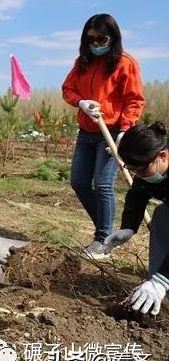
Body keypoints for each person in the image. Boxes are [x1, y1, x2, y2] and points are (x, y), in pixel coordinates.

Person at [62, 14, 145, 260]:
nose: (96, 44)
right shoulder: (82, 62)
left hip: (112, 133)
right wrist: (81, 102)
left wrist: (125, 132)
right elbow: (68, 89)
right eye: (91, 39)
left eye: (101, 39)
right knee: (78, 181)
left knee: (102, 184)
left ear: (113, 37)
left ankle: (102, 241)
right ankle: (107, 230)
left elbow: (134, 99)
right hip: (87, 131)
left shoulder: (125, 63)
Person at [103, 122, 169, 315]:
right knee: (162, 215)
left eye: (140, 169)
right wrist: (129, 227)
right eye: (132, 169)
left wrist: (162, 280)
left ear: (162, 156)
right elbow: (137, 194)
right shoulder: (148, 170)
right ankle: (156, 288)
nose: (137, 175)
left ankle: (161, 282)